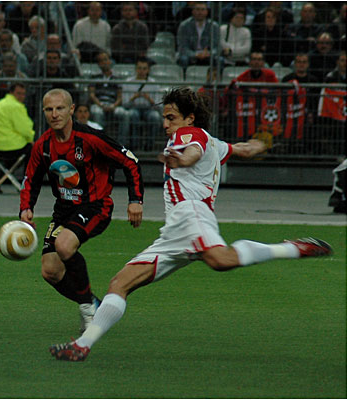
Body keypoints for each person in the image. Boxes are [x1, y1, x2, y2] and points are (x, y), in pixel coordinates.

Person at [49, 87, 333, 362]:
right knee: (120, 283)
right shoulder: (214, 142)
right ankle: (82, 346)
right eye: (164, 118)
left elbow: (192, 152)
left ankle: (292, 249)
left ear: (189, 118)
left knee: (220, 260)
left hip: (191, 214)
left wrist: (182, 159)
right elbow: (241, 150)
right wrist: (259, 145)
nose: (165, 124)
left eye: (170, 117)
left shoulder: (189, 134)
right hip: (175, 229)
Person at [20, 88, 143, 334]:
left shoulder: (90, 138)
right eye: (49, 109)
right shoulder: (42, 145)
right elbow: (30, 179)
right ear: (44, 112)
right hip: (63, 211)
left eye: (60, 108)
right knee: (50, 271)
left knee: (64, 246)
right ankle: (94, 304)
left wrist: (135, 200)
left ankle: (88, 311)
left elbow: (130, 161)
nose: (55, 114)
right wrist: (26, 209)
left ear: (72, 110)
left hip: (96, 206)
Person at [0, 83, 34, 193]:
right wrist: (30, 139)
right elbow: (25, 129)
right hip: (11, 146)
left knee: (14, 160)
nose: (21, 96)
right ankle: (26, 183)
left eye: (23, 94)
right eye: (18, 93)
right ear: (11, 92)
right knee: (32, 150)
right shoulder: (16, 106)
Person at [88, 51, 130, 146]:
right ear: (98, 64)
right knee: (97, 112)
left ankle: (120, 145)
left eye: (106, 59)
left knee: (125, 114)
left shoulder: (117, 78)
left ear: (110, 61)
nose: (104, 62)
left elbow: (120, 97)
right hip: (98, 104)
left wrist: (114, 105)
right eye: (101, 61)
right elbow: (92, 95)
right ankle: (100, 144)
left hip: (113, 104)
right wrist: (101, 105)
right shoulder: (94, 77)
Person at [122, 57, 164, 151]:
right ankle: (135, 145)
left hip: (149, 109)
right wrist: (134, 97)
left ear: (148, 70)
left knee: (155, 117)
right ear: (136, 69)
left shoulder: (154, 83)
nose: (142, 71)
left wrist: (148, 98)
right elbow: (124, 104)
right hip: (134, 108)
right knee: (133, 114)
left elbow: (159, 105)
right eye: (139, 68)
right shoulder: (128, 82)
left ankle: (149, 145)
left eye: (144, 68)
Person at [177, 2, 221, 70]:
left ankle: (216, 79)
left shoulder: (214, 26)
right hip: (191, 55)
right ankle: (184, 79)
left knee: (220, 60)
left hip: (208, 55)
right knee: (183, 59)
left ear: (206, 12)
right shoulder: (184, 26)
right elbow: (182, 47)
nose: (200, 12)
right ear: (193, 11)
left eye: (203, 10)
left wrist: (208, 53)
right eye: (197, 9)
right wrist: (195, 54)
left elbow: (217, 47)